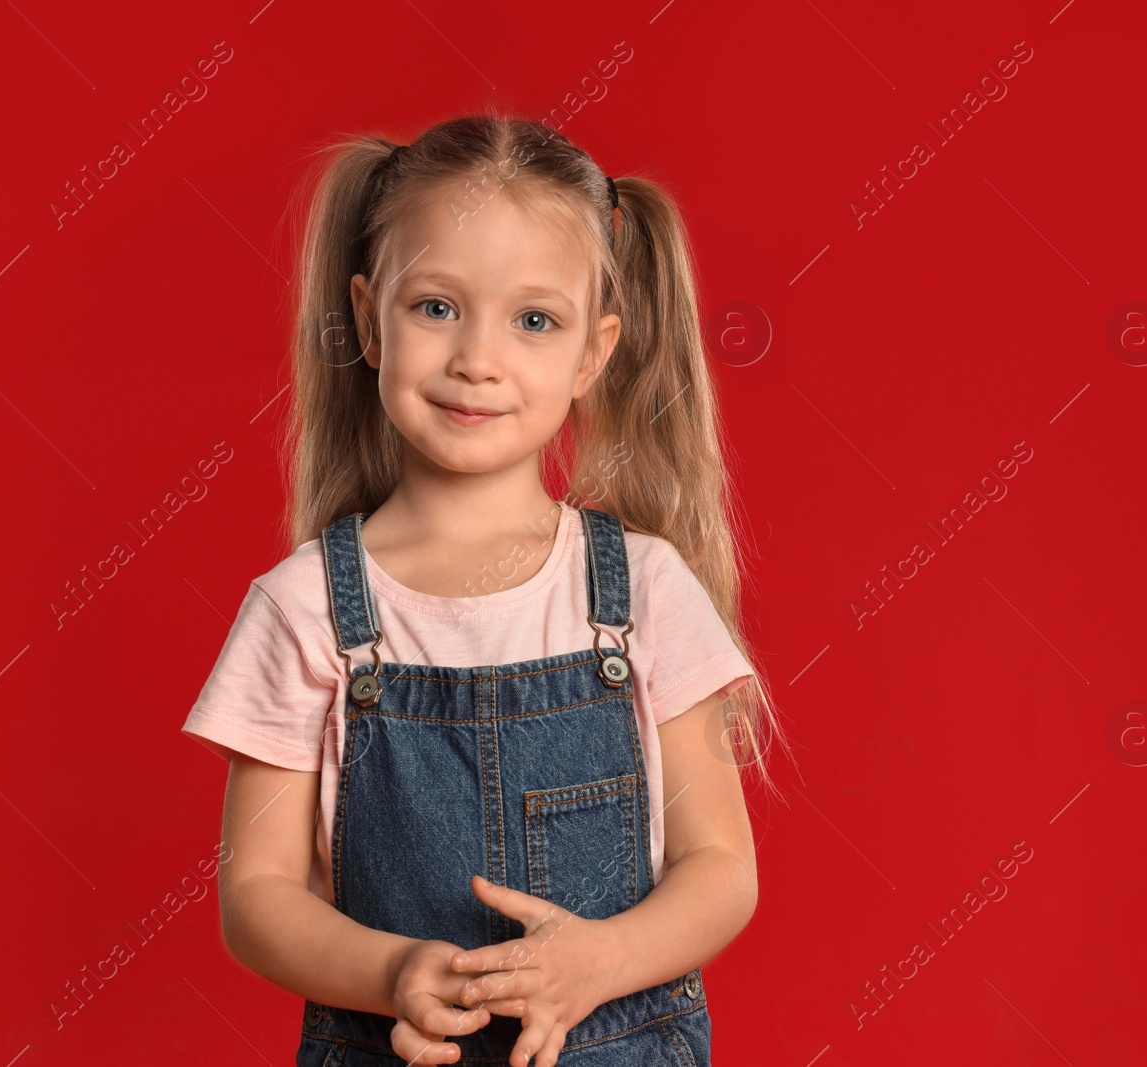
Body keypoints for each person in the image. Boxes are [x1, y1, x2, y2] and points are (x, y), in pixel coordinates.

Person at [181, 110, 789, 1067]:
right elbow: (257, 898)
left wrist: (600, 959)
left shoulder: (643, 588)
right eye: (435, 307)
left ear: (594, 353)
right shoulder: (301, 609)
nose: (477, 358)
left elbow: (722, 869)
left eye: (535, 320)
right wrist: (389, 973)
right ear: (366, 317)